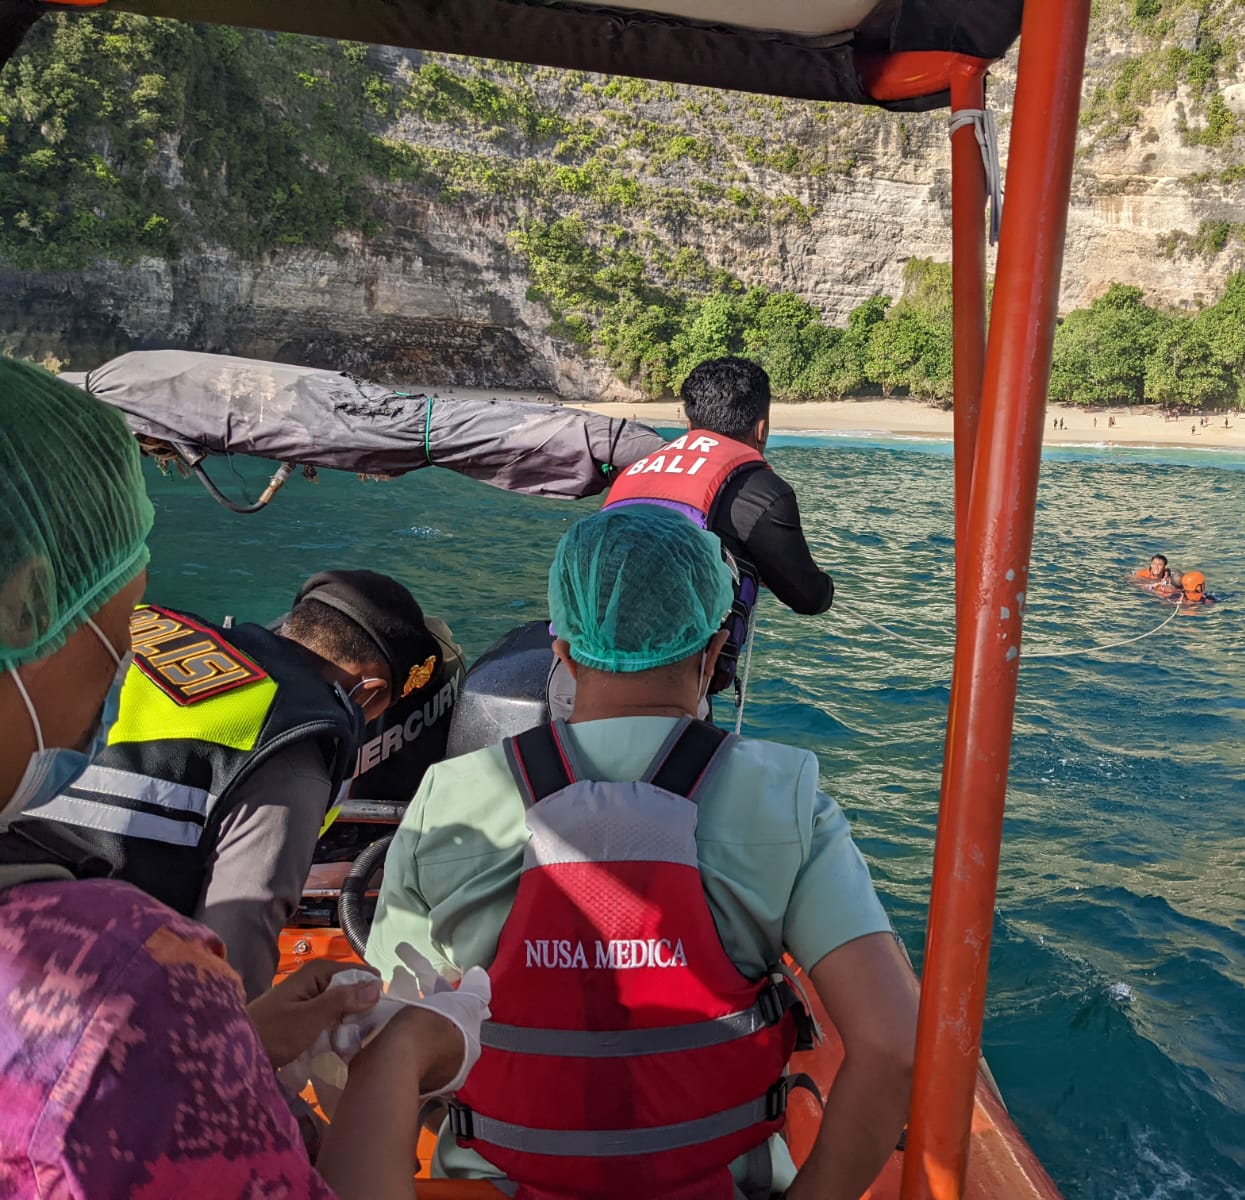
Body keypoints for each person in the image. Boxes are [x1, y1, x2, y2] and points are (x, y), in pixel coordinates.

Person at [0, 356, 481, 1199]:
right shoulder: (294, 739)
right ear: (30, 607)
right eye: (111, 639)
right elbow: (241, 944)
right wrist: (367, 1073)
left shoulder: (171, 633)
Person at [369, 504, 917, 1200]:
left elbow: (388, 1039)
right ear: (713, 654)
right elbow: (895, 1046)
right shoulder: (787, 796)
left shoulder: (448, 796)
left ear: (563, 654)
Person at [16, 567, 441, 998]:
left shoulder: (147, 629)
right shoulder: (292, 747)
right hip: (69, 986)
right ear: (367, 693)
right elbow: (233, 962)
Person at [550, 356, 833, 717]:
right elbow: (809, 596)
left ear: (688, 423)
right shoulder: (763, 492)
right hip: (669, 690)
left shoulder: (640, 468)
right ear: (761, 429)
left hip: (577, 672)